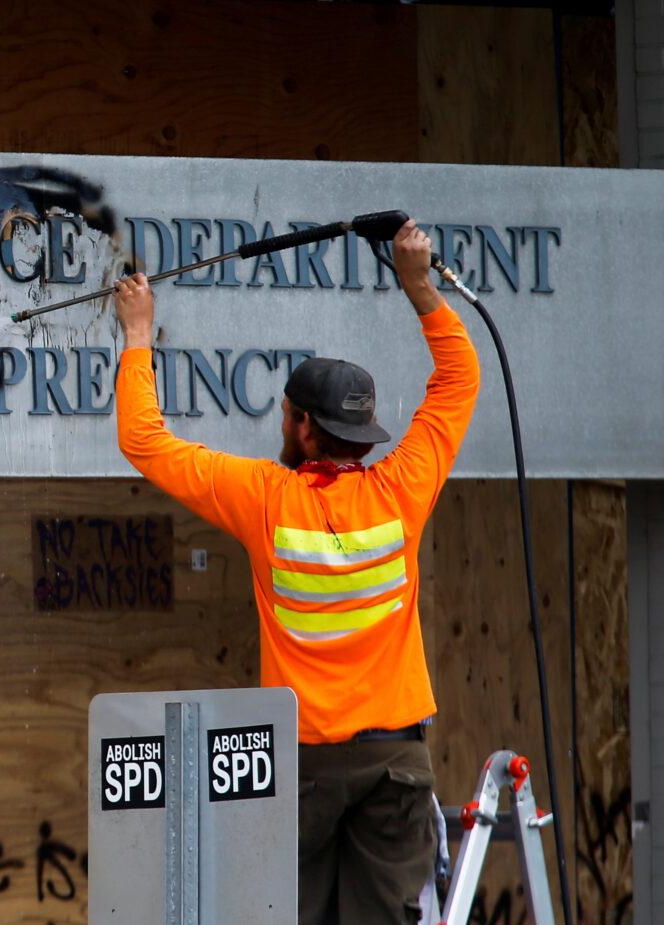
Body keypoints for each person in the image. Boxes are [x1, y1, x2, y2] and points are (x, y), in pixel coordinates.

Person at [113, 219, 480, 924]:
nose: (282, 424)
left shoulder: (267, 499)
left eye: (287, 415)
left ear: (306, 428)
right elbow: (460, 378)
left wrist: (137, 332)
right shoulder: (402, 489)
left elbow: (144, 440)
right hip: (395, 765)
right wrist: (418, 283)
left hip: (303, 768)